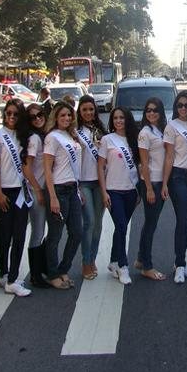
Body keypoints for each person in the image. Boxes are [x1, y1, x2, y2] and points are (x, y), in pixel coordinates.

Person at [0, 98, 32, 297]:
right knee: (4, 235)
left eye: (16, 114)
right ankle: (4, 273)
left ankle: (13, 278)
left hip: (21, 191)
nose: (12, 117)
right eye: (8, 113)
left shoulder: (24, 136)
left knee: (19, 235)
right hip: (5, 191)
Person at [42, 101, 83, 290]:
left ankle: (63, 268)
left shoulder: (70, 135)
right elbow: (48, 170)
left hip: (72, 189)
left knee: (77, 232)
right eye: (62, 115)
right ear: (56, 118)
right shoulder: (52, 138)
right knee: (55, 235)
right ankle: (52, 274)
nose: (66, 118)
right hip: (58, 190)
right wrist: (53, 197)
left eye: (69, 115)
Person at [97, 107, 140, 285]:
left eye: (122, 117)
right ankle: (123, 266)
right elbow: (100, 167)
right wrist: (104, 191)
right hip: (113, 191)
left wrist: (139, 191)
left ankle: (113, 262)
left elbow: (138, 165)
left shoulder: (134, 140)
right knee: (122, 227)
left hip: (130, 191)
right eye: (115, 118)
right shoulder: (107, 140)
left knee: (120, 228)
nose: (118, 121)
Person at [162, 91, 187, 283]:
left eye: (186, 105)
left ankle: (181, 262)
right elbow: (169, 157)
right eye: (180, 105)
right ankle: (179, 264)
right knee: (183, 220)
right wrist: (164, 183)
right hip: (177, 176)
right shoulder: (171, 127)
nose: (183, 109)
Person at [75, 95, 108, 280]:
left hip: (100, 183)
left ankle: (92, 258)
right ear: (79, 112)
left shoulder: (101, 131)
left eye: (91, 109)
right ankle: (85, 261)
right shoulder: (74, 132)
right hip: (83, 183)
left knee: (98, 225)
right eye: (84, 110)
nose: (88, 112)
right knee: (89, 223)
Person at [135, 97, 168, 280]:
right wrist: (148, 188)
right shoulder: (145, 133)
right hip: (151, 183)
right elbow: (144, 163)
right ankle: (147, 266)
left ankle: (141, 258)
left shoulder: (160, 130)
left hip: (159, 182)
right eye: (148, 110)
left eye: (155, 110)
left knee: (151, 223)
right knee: (150, 224)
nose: (151, 113)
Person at [23, 103, 50, 288]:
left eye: (40, 114)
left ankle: (42, 268)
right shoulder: (34, 139)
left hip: (44, 188)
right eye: (33, 117)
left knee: (43, 231)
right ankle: (35, 275)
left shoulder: (43, 136)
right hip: (36, 190)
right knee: (38, 232)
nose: (38, 118)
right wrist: (37, 190)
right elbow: (26, 167)